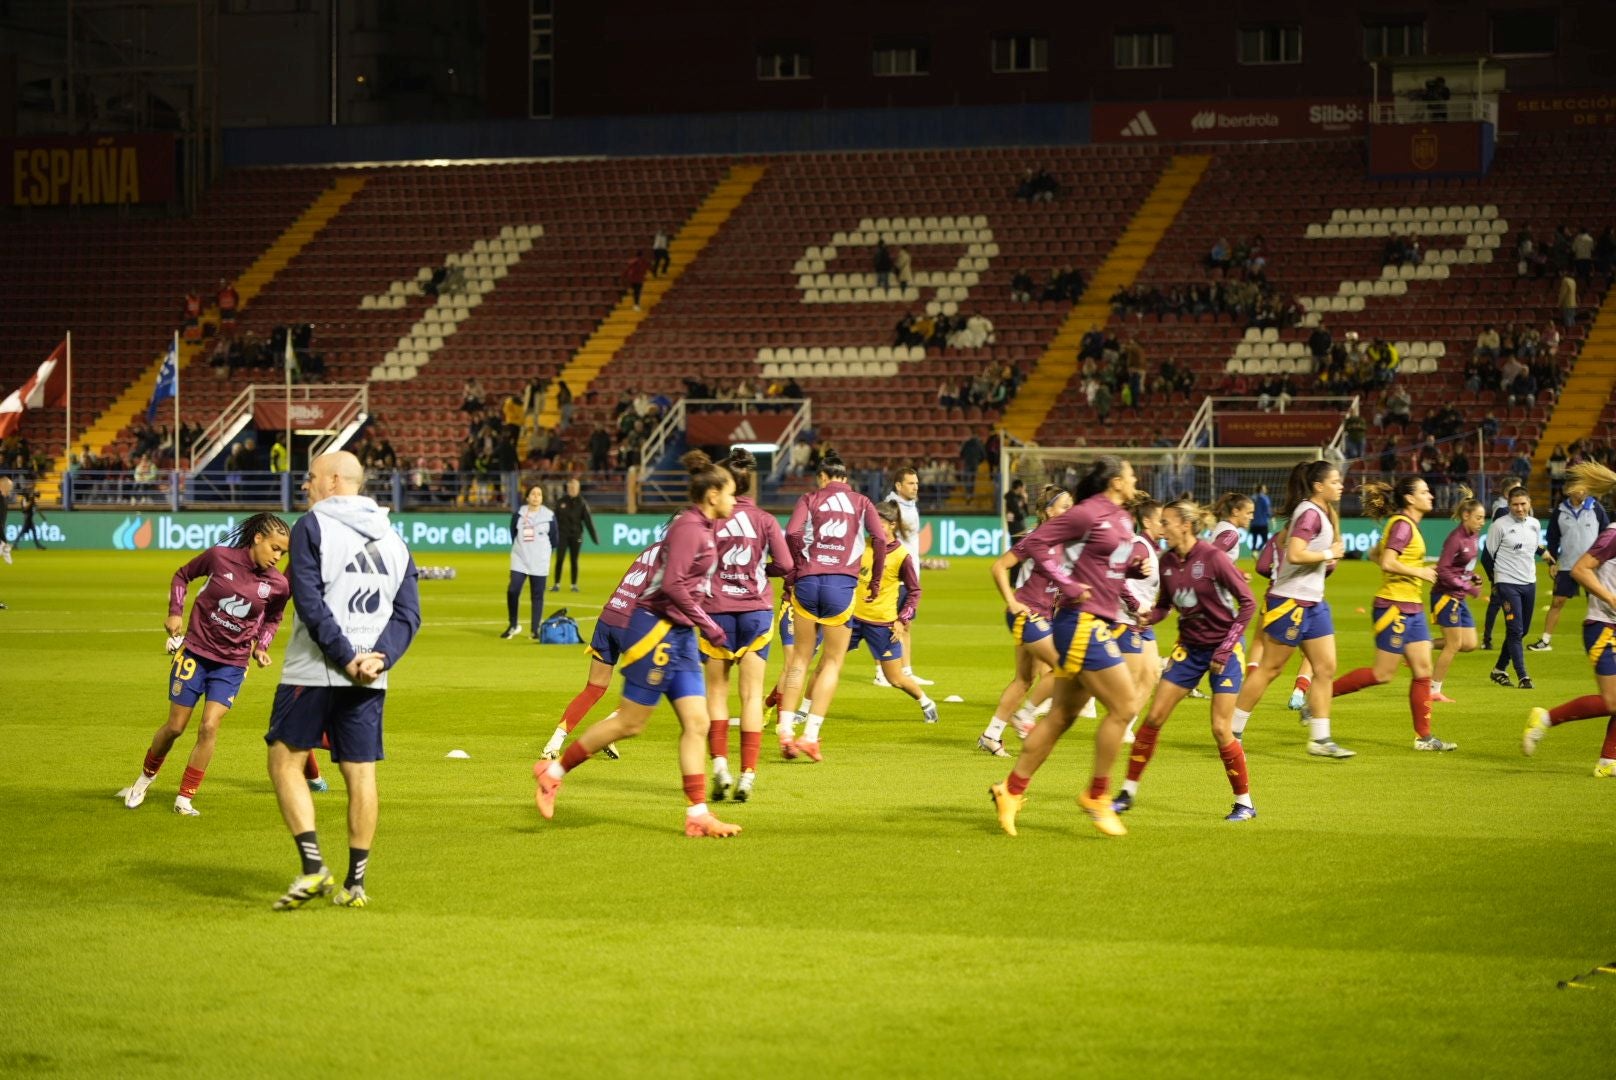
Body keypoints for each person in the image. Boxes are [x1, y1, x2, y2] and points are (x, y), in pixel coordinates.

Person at [535, 452, 742, 839]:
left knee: (697, 723)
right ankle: (553, 772)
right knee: (630, 723)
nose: (735, 500)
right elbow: (673, 586)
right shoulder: (688, 529)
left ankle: (697, 813)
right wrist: (709, 624)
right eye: (731, 493)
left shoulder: (705, 528)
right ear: (713, 494)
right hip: (655, 631)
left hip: (679, 635)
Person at [264, 451, 422, 910]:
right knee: (361, 774)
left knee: (284, 762)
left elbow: (308, 600)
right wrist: (380, 658)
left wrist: (344, 657)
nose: (306, 486)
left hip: (315, 669)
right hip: (370, 677)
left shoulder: (312, 526)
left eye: (311, 477)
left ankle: (314, 868)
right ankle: (356, 884)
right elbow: (410, 613)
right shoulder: (394, 537)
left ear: (334, 481)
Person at [987, 455, 1144, 839]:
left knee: (1060, 717)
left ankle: (1010, 790)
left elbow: (1105, 565)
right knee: (1124, 706)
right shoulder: (1087, 513)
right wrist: (1067, 583)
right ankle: (1097, 795)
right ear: (1115, 481)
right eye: (1130, 471)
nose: (1135, 476)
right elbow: (1036, 545)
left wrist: (1131, 570)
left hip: (1097, 620)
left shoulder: (1122, 518)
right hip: (1081, 623)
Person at [116, 514, 293, 816]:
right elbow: (182, 575)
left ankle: (185, 798)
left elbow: (274, 619)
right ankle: (143, 780)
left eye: (283, 552)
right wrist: (175, 612)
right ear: (258, 539)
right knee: (175, 727)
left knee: (209, 726)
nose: (277, 557)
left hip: (232, 663)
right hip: (195, 653)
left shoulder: (278, 584)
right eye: (275, 548)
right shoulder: (219, 557)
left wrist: (261, 647)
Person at [1116, 499, 1258, 821]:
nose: (1161, 528)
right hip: (1189, 650)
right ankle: (1127, 792)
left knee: (1221, 728)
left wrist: (1225, 649)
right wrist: (1148, 618)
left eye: (1166, 522)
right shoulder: (1166, 561)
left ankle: (1245, 802)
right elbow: (1165, 605)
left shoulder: (1213, 558)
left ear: (1185, 524)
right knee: (1153, 718)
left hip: (1224, 649)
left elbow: (1248, 603)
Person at [1229, 460, 1352, 758]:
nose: (1341, 486)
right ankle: (1231, 731)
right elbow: (1295, 554)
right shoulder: (1309, 513)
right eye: (1335, 481)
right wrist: (1329, 553)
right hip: (1289, 602)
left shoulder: (1324, 512)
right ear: (1318, 486)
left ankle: (1319, 739)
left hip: (1314, 602)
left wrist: (1327, 560)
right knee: (1270, 669)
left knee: (1325, 668)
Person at [1328, 478, 1458, 751]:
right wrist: (1418, 572)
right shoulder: (1402, 525)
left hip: (1412, 607)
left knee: (1423, 671)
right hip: (1394, 607)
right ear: (1410, 498)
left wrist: (1415, 569)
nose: (1431, 495)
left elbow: (1374, 554)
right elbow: (1386, 561)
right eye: (1424, 491)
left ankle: (1424, 738)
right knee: (1382, 673)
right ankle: (1320, 697)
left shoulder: (1404, 524)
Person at [775, 452, 888, 761]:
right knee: (833, 660)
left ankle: (785, 730)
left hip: (808, 582)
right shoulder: (862, 502)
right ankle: (810, 736)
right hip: (841, 585)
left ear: (822, 477)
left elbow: (793, 532)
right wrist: (875, 580)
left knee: (800, 657)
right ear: (845, 478)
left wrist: (797, 567)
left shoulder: (809, 498)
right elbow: (879, 538)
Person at [704, 450, 793, 803]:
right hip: (755, 611)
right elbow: (785, 564)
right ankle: (748, 776)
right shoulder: (764, 519)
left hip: (717, 612)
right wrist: (760, 570)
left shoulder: (710, 516)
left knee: (717, 696)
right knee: (752, 697)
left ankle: (721, 767)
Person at [1524, 461, 1616, 777]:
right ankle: (1545, 718)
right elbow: (1579, 569)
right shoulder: (1612, 536)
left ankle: (1608, 761)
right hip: (1604, 626)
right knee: (1613, 701)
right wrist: (1611, 599)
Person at [979, 485, 1071, 756]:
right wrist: (1011, 601)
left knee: (1023, 679)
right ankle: (1026, 715)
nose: (1070, 510)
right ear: (1047, 511)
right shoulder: (1038, 537)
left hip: (1043, 614)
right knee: (1065, 665)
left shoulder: (1066, 541)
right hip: (1026, 612)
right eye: (1064, 506)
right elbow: (998, 567)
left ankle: (991, 735)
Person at [828, 500, 936, 721]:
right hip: (853, 619)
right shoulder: (862, 546)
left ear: (892, 524)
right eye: (872, 522)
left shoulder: (901, 556)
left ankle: (925, 702)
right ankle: (803, 711)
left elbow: (915, 591)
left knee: (895, 678)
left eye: (880, 522)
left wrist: (902, 619)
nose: (874, 526)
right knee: (827, 662)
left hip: (882, 623)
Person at [1483, 486, 1553, 689]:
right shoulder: (1499, 526)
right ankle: (1523, 676)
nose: (1520, 508)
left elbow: (1532, 547)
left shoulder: (1534, 524)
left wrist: (1548, 557)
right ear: (1509, 505)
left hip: (1529, 583)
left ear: (1529, 503)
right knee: (1515, 631)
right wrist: (1495, 583)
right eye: (1515, 504)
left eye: (1523, 504)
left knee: (1522, 631)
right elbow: (1487, 558)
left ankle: (1498, 669)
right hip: (1507, 583)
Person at [875, 466, 933, 688]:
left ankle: (906, 671)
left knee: (905, 624)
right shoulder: (890, 508)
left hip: (909, 577)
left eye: (916, 483)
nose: (916, 486)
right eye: (911, 483)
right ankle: (880, 671)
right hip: (893, 576)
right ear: (898, 486)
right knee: (885, 624)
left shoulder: (910, 506)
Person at [1113, 499, 1165, 746]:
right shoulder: (1138, 547)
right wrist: (1135, 606)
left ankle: (1125, 725)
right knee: (1131, 680)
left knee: (1151, 673)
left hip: (1143, 623)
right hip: (1125, 620)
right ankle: (1116, 724)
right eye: (1161, 520)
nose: (1165, 524)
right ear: (1147, 521)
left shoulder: (1154, 549)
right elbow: (1116, 576)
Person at [1531, 488, 1609, 651]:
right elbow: (1552, 538)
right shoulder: (1560, 510)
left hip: (1592, 566)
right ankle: (1545, 641)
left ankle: (1606, 639)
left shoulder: (1596, 508)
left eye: (1584, 487)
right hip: (1567, 565)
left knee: (1600, 603)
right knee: (1557, 602)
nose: (1582, 491)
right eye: (1578, 487)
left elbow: (1607, 535)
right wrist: (1552, 562)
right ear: (1569, 490)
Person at [1430, 488, 1486, 703]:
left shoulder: (1473, 536)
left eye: (1483, 518)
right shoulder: (1455, 538)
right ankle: (1434, 690)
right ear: (1466, 516)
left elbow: (1462, 566)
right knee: (1453, 644)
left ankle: (1421, 645)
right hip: (1445, 595)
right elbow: (1442, 570)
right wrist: (1467, 587)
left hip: (1458, 595)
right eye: (1479, 518)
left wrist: (1472, 576)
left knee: (1470, 644)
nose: (1482, 522)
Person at [504, 483, 558, 640]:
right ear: (527, 497)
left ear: (542, 498)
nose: (536, 497)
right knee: (513, 590)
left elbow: (555, 540)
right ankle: (513, 624)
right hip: (520, 559)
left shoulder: (549, 516)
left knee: (537, 595)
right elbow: (513, 533)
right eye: (533, 494)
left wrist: (541, 552)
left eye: (539, 494)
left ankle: (535, 630)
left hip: (539, 561)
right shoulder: (519, 514)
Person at [550, 477, 598, 592]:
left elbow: (588, 521)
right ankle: (556, 584)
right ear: (567, 488)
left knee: (574, 560)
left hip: (576, 535)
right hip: (562, 535)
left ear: (578, 488)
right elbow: (553, 520)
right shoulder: (561, 502)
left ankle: (574, 585)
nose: (572, 489)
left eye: (574, 487)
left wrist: (594, 537)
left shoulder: (582, 503)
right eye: (570, 487)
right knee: (560, 559)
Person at [1208, 492, 1253, 558]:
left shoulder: (1222, 525)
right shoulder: (1231, 534)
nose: (1252, 517)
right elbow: (1212, 556)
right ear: (1236, 512)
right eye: (1249, 513)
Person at [1248, 484, 1272, 553]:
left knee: (1254, 539)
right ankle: (1257, 550)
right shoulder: (1265, 498)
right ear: (1262, 489)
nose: (1266, 490)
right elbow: (1268, 511)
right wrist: (1271, 517)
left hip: (1254, 523)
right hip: (1263, 523)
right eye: (1264, 488)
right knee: (1265, 540)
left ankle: (1254, 551)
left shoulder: (1252, 498)